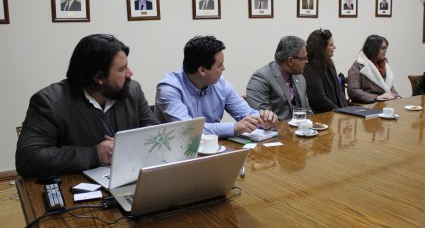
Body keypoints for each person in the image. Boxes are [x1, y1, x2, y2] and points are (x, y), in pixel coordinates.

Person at [16, 34, 158, 178]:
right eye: (122, 69)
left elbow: (155, 133)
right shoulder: (50, 102)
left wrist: (128, 145)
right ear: (99, 78)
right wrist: (96, 154)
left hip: (130, 176)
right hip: (78, 184)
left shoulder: (132, 91)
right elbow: (28, 158)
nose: (129, 73)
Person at [155, 35, 277, 138]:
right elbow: (187, 130)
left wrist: (264, 119)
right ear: (202, 70)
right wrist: (234, 128)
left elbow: (245, 113)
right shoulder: (169, 89)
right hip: (176, 155)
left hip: (214, 150)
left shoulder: (220, 83)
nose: (223, 68)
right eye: (220, 65)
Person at [246, 36, 313, 121]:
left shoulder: (300, 77)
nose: (307, 61)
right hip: (276, 131)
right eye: (304, 58)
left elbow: (308, 112)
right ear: (290, 61)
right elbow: (263, 119)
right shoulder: (261, 78)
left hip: (302, 131)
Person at [303, 29, 348, 113]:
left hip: (337, 112)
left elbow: (338, 92)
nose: (334, 47)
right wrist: (340, 111)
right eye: (331, 45)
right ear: (321, 49)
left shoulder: (329, 63)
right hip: (322, 117)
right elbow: (320, 100)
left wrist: (347, 110)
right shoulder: (310, 68)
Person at [347, 35, 400, 103]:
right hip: (368, 106)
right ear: (373, 49)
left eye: (386, 48)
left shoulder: (383, 64)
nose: (386, 51)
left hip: (385, 103)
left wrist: (397, 96)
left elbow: (388, 86)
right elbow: (353, 91)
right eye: (383, 48)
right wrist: (377, 97)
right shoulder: (357, 66)